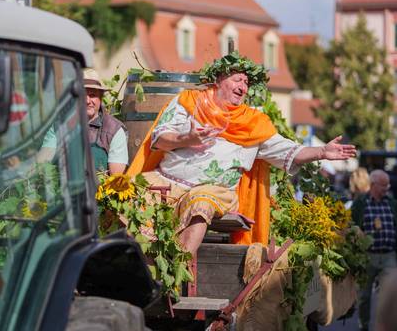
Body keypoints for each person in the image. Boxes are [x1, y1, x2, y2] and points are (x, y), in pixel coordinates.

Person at [127, 53, 356, 258]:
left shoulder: (253, 123)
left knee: (201, 204)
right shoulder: (188, 102)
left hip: (213, 190)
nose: (243, 87)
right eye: (238, 80)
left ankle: (178, 269)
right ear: (218, 80)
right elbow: (158, 139)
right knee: (125, 195)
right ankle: (136, 271)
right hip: (167, 180)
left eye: (246, 83)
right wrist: (188, 139)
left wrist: (321, 152)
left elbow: (289, 151)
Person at [38, 68, 128, 174]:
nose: (87, 101)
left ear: (100, 97)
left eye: (92, 95)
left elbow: (116, 179)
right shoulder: (59, 125)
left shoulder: (113, 130)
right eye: (82, 95)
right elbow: (42, 164)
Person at [352, 169, 397, 331]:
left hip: (389, 255)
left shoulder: (391, 202)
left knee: (390, 295)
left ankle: (385, 326)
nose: (387, 188)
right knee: (364, 296)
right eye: (383, 185)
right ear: (372, 185)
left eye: (388, 185)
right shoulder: (361, 202)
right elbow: (351, 225)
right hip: (367, 255)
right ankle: (363, 326)